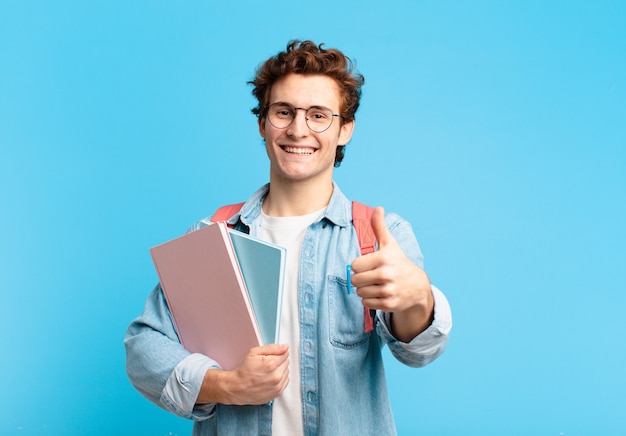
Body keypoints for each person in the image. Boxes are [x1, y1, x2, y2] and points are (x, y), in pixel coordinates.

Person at [125, 39, 452, 435]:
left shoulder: (380, 237)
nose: (298, 130)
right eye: (284, 112)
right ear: (263, 123)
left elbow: (420, 351)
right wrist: (225, 386)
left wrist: (419, 298)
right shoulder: (213, 236)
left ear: (345, 129)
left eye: (318, 115)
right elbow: (144, 348)